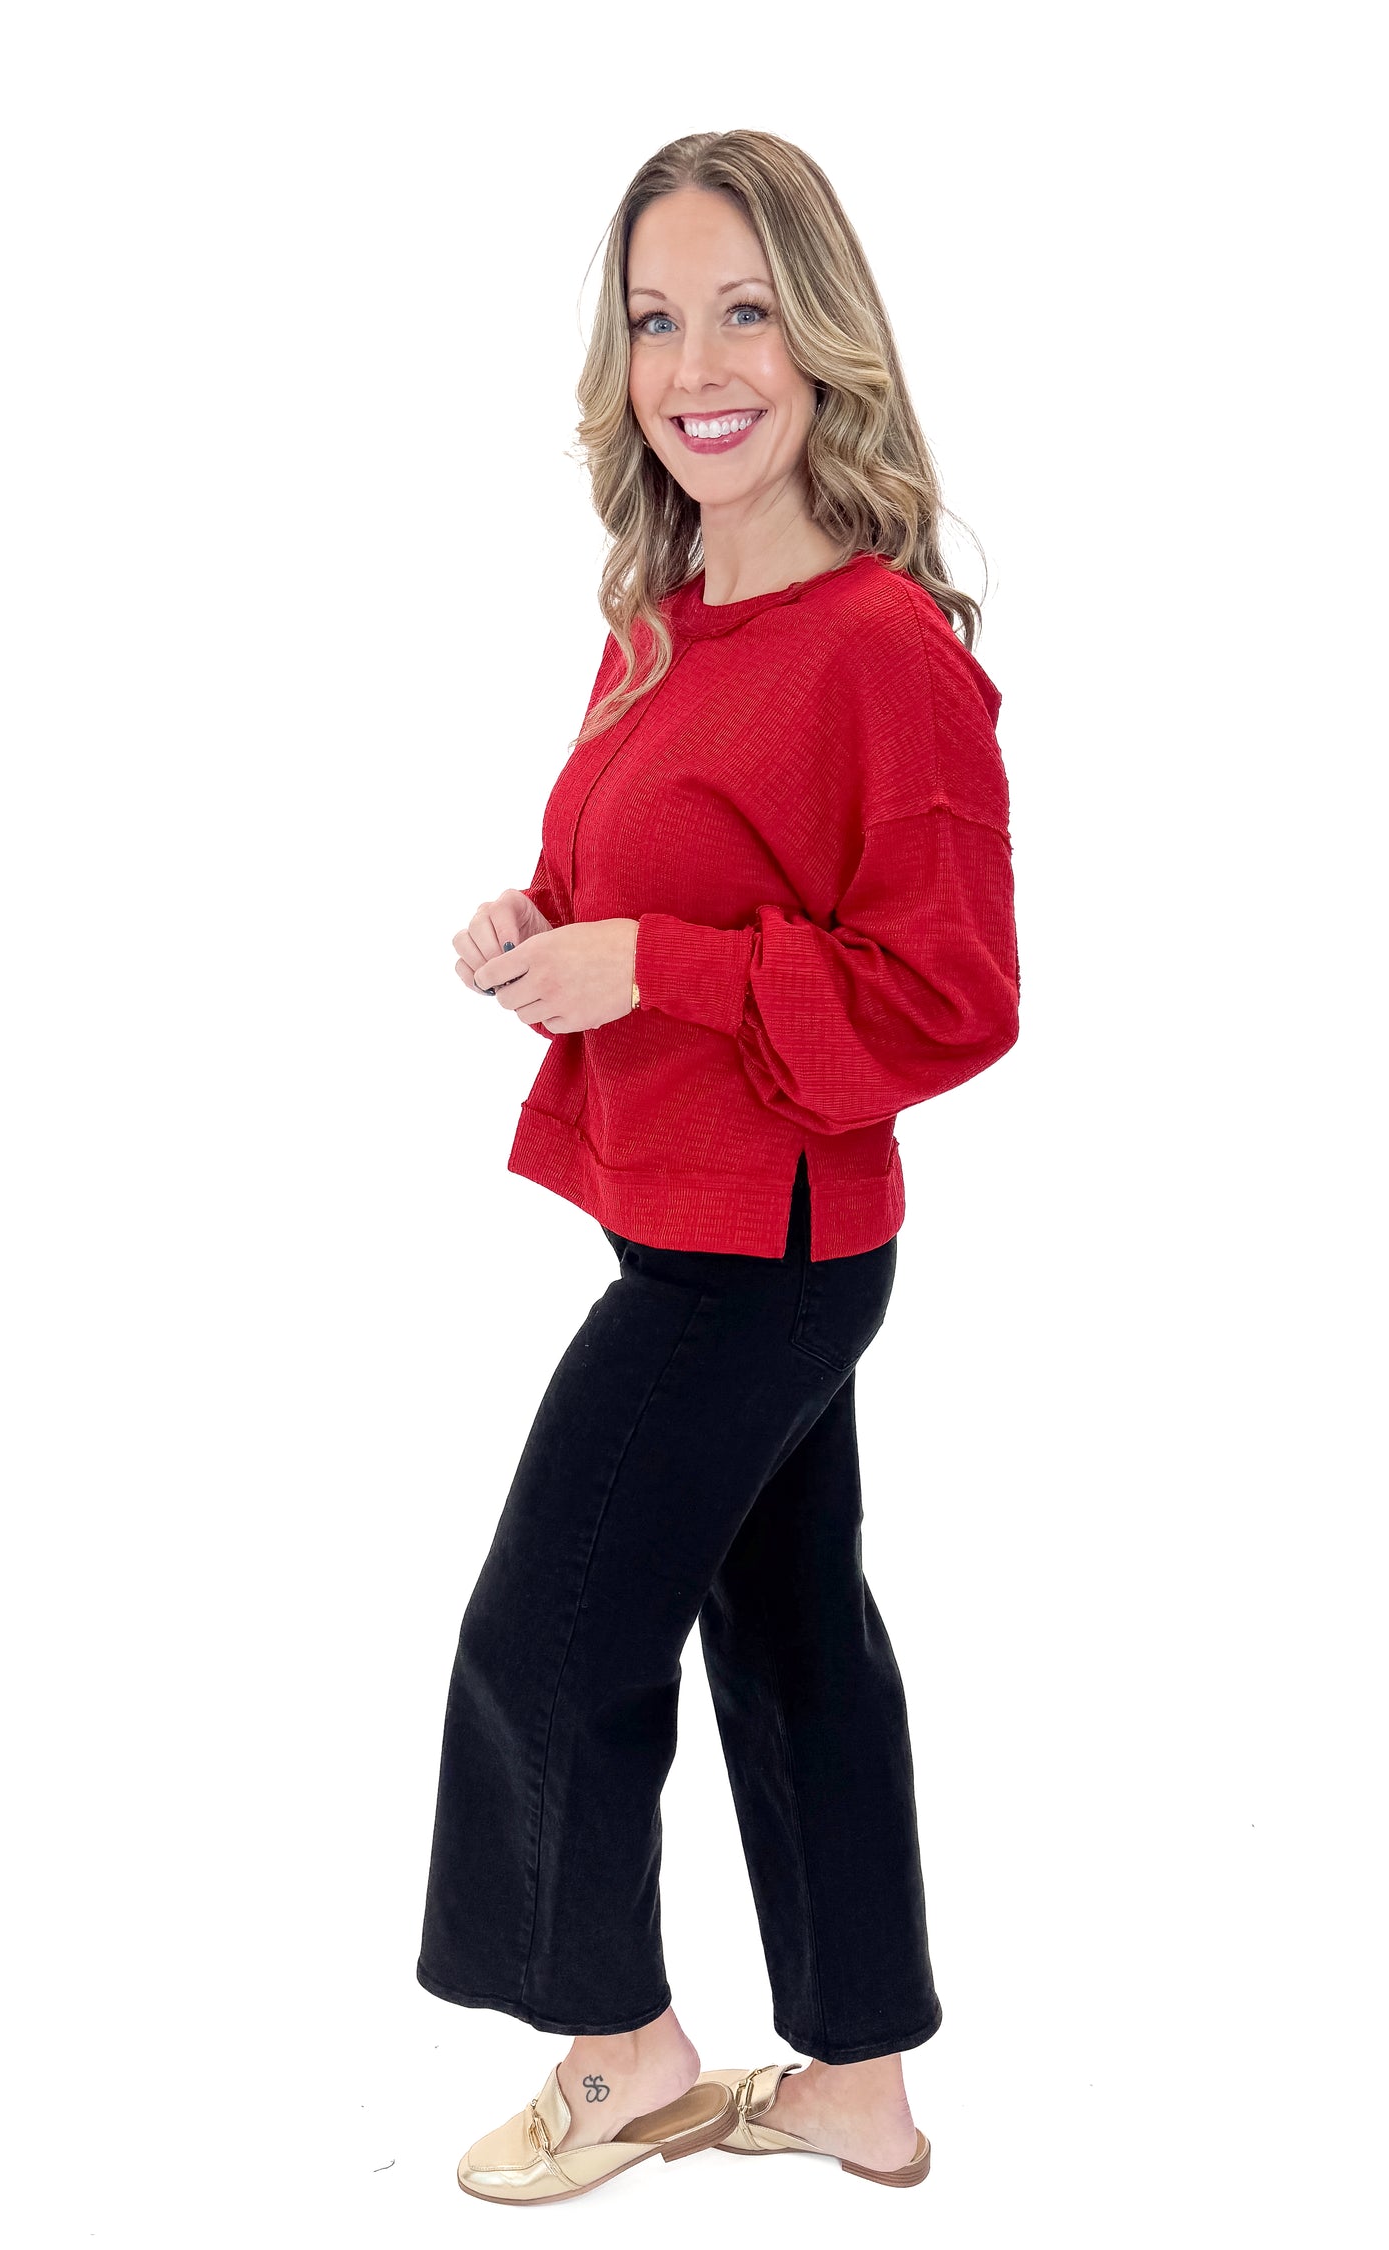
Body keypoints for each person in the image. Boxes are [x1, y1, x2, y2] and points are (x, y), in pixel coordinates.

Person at [416, 128, 1021, 2207]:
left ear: (825, 336)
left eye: (745, 311)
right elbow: (641, 884)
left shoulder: (883, 651)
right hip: (689, 1216)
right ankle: (860, 2088)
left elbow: (952, 993)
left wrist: (651, 965)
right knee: (790, 1636)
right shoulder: (662, 622)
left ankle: (622, 2053)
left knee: (548, 1635)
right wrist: (542, 930)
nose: (698, 366)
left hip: (762, 1255)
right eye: (657, 318)